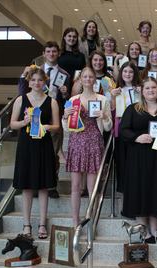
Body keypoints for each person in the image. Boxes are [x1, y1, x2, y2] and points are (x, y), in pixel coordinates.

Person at [120, 77, 157, 243]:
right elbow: (123, 130)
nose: (151, 91)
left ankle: (155, 229)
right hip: (138, 158)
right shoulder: (133, 109)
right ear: (141, 90)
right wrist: (137, 137)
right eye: (147, 88)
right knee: (141, 190)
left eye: (154, 88)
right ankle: (143, 230)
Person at [11, 67, 60, 239]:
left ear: (44, 81)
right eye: (33, 80)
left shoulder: (52, 101)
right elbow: (12, 125)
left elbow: (57, 127)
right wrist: (23, 121)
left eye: (40, 80)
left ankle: (42, 224)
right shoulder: (20, 100)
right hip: (26, 145)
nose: (37, 83)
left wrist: (48, 127)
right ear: (29, 82)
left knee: (44, 186)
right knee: (26, 187)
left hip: (44, 145)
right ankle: (26, 225)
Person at [18, 41, 70, 199]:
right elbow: (22, 91)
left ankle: (52, 184)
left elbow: (66, 100)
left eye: (54, 51)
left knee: (53, 153)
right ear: (44, 53)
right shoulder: (35, 72)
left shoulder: (65, 75)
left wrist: (65, 94)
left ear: (58, 53)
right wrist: (22, 76)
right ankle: (34, 184)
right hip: (34, 115)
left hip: (52, 115)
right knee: (34, 152)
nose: (51, 54)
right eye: (48, 51)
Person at [62, 67, 112, 226]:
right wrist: (65, 116)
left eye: (91, 76)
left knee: (92, 187)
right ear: (80, 79)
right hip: (76, 142)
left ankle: (91, 219)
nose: (88, 79)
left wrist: (104, 116)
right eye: (85, 76)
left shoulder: (103, 100)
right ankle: (75, 220)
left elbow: (109, 127)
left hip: (94, 141)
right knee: (75, 186)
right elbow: (66, 127)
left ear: (94, 80)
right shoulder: (73, 100)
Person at [110, 61, 141, 192]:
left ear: (135, 74)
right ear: (121, 73)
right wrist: (112, 97)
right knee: (122, 161)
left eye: (131, 71)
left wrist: (141, 93)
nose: (128, 74)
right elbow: (112, 110)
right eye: (125, 71)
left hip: (138, 129)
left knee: (137, 161)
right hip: (121, 129)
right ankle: (123, 188)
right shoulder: (116, 91)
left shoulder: (141, 89)